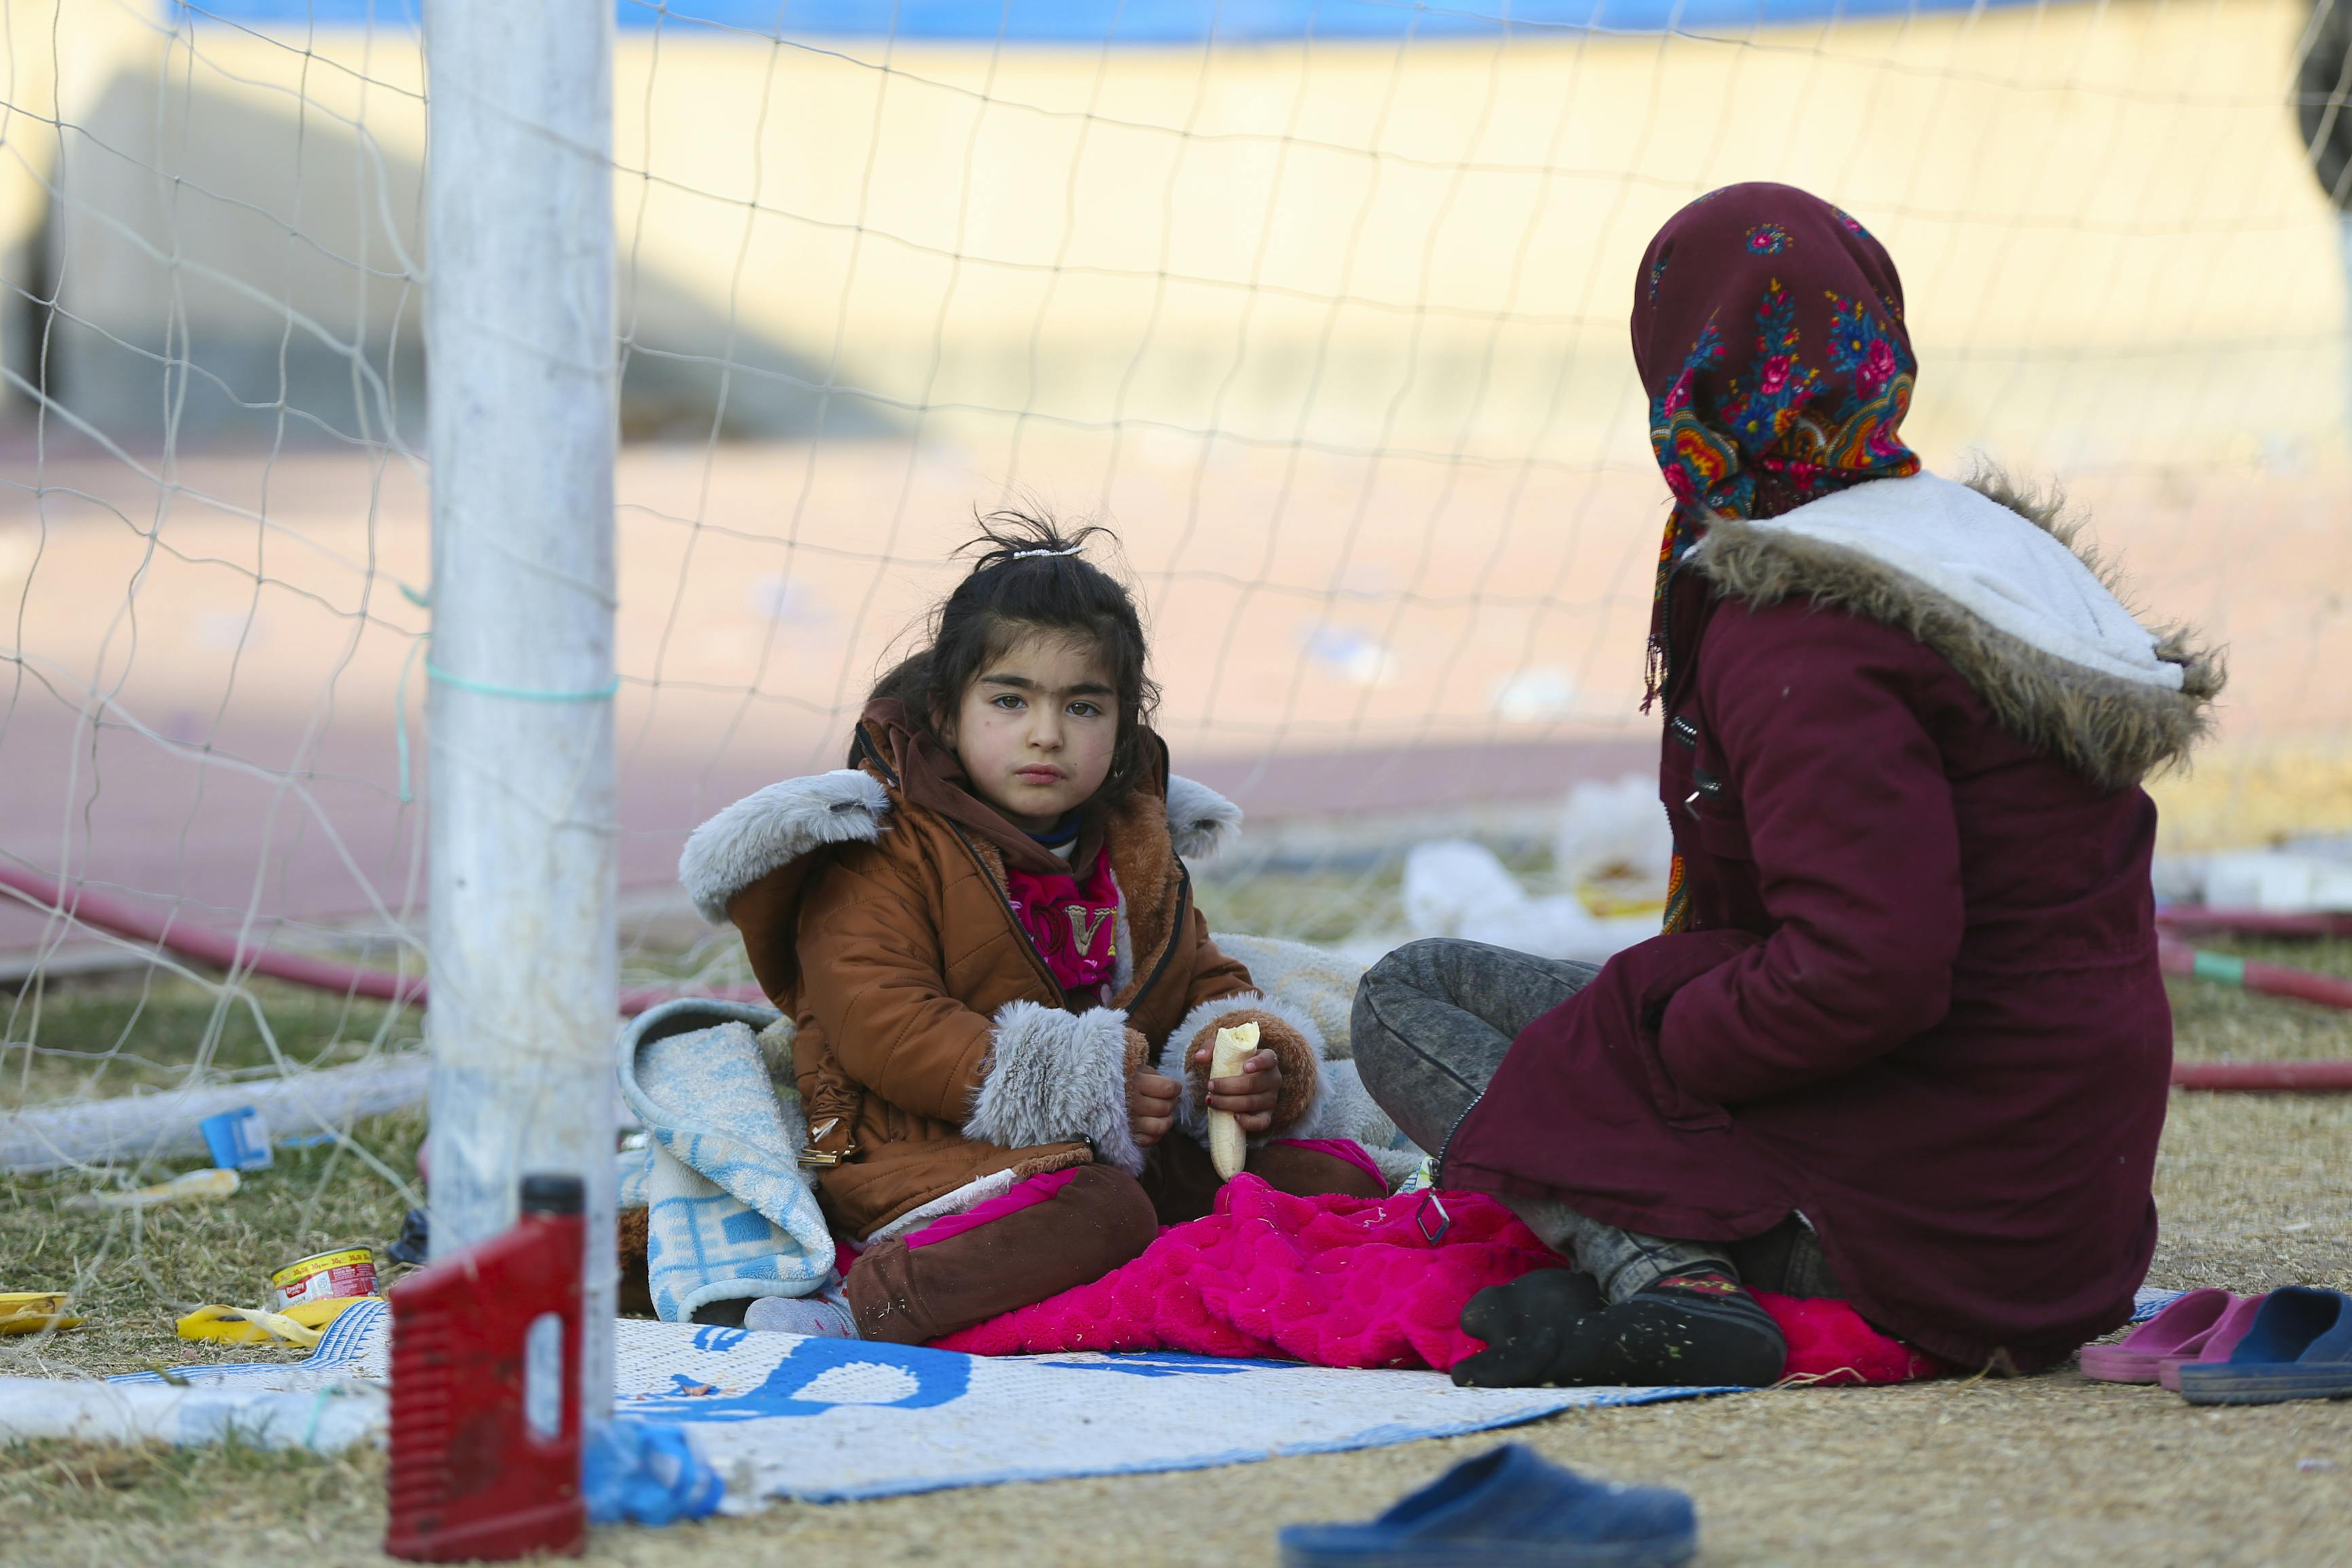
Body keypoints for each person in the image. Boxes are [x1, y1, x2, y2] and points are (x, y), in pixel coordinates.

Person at [1351, 183, 2222, 1387]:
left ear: (1684, 370)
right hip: (2056, 1219)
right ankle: (1684, 1235)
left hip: (1928, 1231)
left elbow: (1869, 969)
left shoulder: (1806, 621)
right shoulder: (1970, 552)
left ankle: (1673, 1279)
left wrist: (1656, 1047)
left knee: (1402, 1008)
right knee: (1447, 982)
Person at [679, 513, 1386, 1343]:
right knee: (1103, 1210)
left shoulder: (1133, 844)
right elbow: (883, 1023)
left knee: (1328, 1180)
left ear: (1123, 725)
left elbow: (1201, 976)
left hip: (1108, 1148)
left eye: (1082, 706)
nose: (1045, 733)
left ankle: (1141, 1270)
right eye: (1009, 700)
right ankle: (859, 1302)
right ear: (947, 713)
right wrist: (1085, 1089)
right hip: (921, 1152)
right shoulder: (881, 842)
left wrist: (1242, 1060)